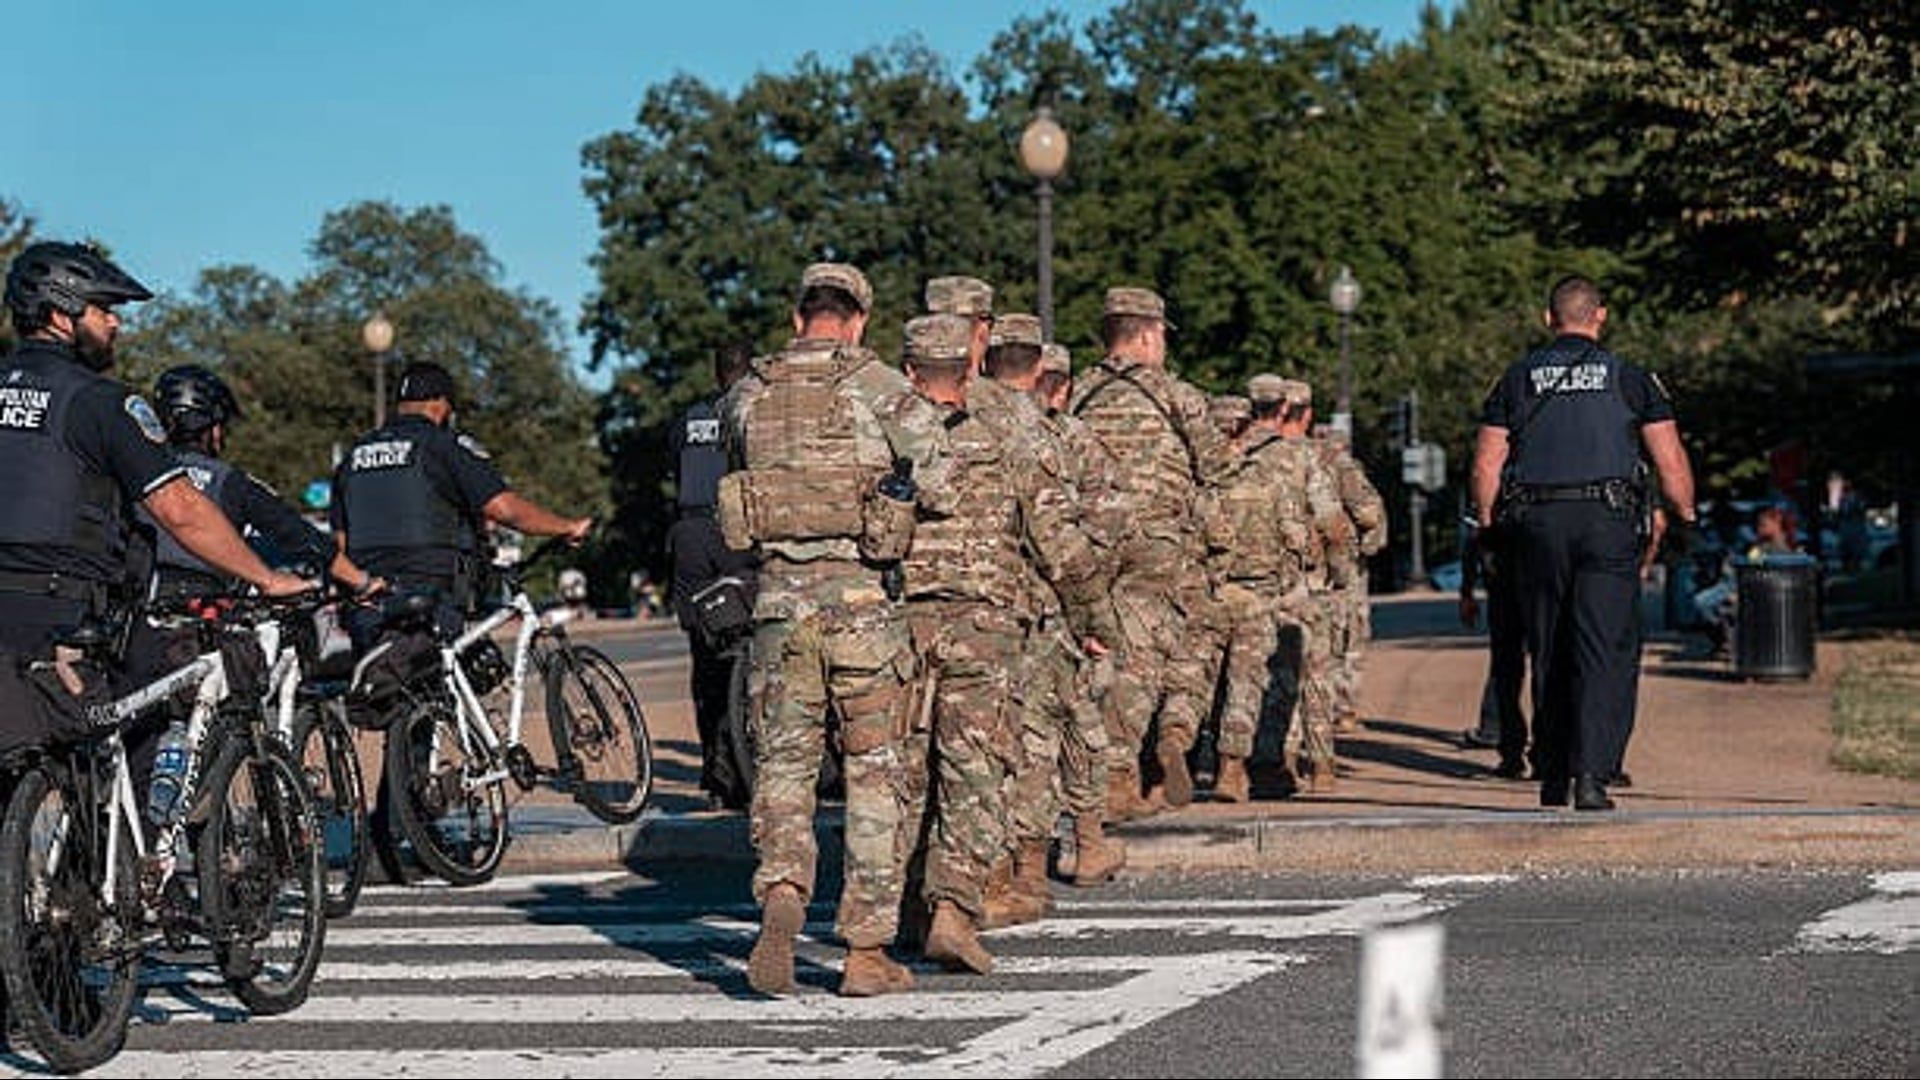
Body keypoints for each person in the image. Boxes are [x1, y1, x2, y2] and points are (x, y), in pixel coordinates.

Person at [718, 262, 954, 999]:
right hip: (861, 608)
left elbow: (738, 470)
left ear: (798, 319)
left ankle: (784, 890)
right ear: (858, 321)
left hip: (777, 609)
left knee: (784, 769)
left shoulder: (747, 394)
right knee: (874, 773)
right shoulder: (878, 386)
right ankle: (865, 950)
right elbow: (940, 477)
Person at [0, 241, 310, 656]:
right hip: (56, 619)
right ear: (60, 316)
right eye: (102, 309)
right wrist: (268, 580)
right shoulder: (99, 402)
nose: (115, 323)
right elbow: (180, 510)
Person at [1471, 275, 1697, 812]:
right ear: (1600, 316)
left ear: (1548, 319)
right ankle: (1592, 774)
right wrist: (1685, 516)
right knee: (1603, 647)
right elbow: (1670, 461)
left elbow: (1486, 465)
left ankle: (1551, 771)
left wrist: (1489, 525)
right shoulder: (1630, 378)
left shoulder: (1516, 379)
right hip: (1606, 521)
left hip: (1537, 523)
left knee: (1548, 645)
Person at [1069, 287, 1237, 815]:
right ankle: (1121, 773)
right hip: (1156, 541)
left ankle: (1091, 767)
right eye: (1162, 335)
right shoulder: (1177, 395)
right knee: (1141, 657)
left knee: (1095, 651)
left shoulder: (1078, 393)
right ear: (1146, 334)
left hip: (1089, 538)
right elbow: (1219, 467)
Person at [330, 360, 593, 647]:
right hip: (430, 595)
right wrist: (566, 527)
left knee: (383, 671)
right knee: (440, 668)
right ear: (441, 404)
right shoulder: (443, 445)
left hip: (367, 601)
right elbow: (504, 509)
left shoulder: (352, 458)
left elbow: (341, 542)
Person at [1209, 374, 1344, 800]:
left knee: (1229, 676)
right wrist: (1338, 573)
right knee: (1300, 671)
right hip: (1287, 582)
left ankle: (1222, 764)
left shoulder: (1220, 456)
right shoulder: (1301, 456)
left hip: (1219, 581)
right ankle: (1308, 766)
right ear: (1284, 408)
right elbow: (1332, 521)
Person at [666, 344, 758, 809]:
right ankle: (752, 763)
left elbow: (676, 468)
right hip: (738, 533)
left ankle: (716, 773)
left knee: (704, 656)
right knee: (759, 645)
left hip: (691, 536)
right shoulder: (755, 412)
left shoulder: (688, 419)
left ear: (716, 373)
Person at [1456, 519, 1529, 779]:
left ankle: (1506, 744)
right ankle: (1548, 753)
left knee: (1506, 666)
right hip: (1545, 576)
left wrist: (1467, 591)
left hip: (1505, 578)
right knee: (1550, 663)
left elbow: (1476, 531)